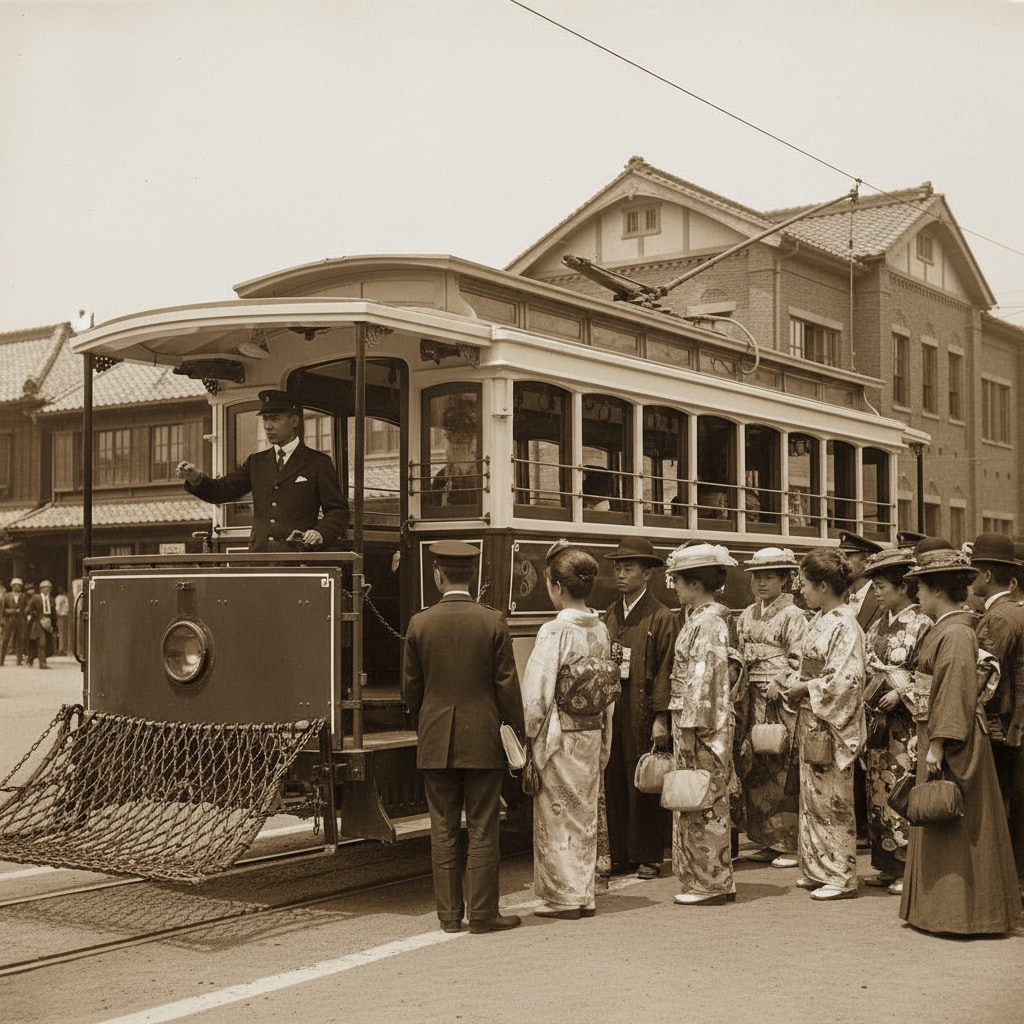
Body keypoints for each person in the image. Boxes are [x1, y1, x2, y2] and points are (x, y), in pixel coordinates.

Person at [899, 541, 1021, 935]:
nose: (916, 593)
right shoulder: (952, 629)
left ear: (935, 589)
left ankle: (962, 914)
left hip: (954, 736)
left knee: (954, 820)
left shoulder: (955, 634)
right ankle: (944, 910)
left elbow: (954, 689)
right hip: (940, 727)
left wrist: (938, 742)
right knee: (948, 819)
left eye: (919, 587)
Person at [403, 540, 524, 935]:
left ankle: (449, 917)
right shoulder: (492, 621)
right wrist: (516, 732)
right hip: (483, 738)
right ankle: (484, 914)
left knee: (442, 827)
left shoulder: (419, 623)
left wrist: (426, 722)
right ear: (473, 577)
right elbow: (507, 686)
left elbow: (411, 690)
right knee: (483, 825)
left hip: (436, 739)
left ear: (437, 576)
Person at [522, 541, 615, 920]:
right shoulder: (600, 629)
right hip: (591, 731)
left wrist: (531, 735)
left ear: (557, 586)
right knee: (585, 812)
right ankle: (585, 893)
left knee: (559, 814)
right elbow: (607, 690)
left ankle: (566, 896)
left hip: (560, 735)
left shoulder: (554, 632)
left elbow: (537, 692)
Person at [785, 547, 866, 901]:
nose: (801, 590)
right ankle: (818, 866)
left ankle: (840, 872)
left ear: (822, 586)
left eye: (805, 584)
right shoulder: (821, 618)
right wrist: (791, 678)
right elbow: (807, 665)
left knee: (833, 799)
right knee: (813, 799)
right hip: (812, 718)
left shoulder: (845, 624)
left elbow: (847, 680)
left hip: (831, 722)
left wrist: (804, 686)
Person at [176, 390, 349, 552]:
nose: (267, 426)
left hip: (298, 558)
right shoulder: (256, 462)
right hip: (259, 559)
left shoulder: (317, 462)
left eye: (274, 419)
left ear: (294, 421)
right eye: (265, 419)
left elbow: (338, 511)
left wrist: (320, 533)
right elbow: (222, 491)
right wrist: (197, 479)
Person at [665, 542, 739, 906]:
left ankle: (711, 882)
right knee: (701, 801)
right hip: (701, 722)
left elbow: (702, 678)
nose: (675, 588)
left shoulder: (707, 623)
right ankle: (708, 878)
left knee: (703, 802)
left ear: (695, 584)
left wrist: (692, 730)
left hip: (702, 727)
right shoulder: (705, 619)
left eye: (677, 581)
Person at [601, 537, 677, 879]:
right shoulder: (612, 612)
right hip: (615, 705)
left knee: (645, 778)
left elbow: (666, 670)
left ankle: (648, 854)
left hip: (644, 706)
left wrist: (661, 717)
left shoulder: (661, 616)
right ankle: (620, 853)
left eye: (628, 568)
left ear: (648, 573)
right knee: (614, 774)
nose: (621, 574)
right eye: (618, 567)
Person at [860, 548, 932, 895]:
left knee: (900, 787)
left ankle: (908, 864)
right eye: (874, 586)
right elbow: (869, 665)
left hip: (903, 722)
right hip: (878, 718)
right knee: (877, 787)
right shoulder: (876, 624)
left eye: (882, 586)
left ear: (903, 587)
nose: (876, 592)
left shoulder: (922, 623)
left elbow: (925, 672)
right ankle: (886, 863)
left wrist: (900, 693)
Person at [736, 547, 807, 869]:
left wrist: (781, 679)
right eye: (757, 577)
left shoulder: (793, 615)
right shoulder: (747, 614)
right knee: (755, 764)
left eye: (769, 577)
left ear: (785, 580)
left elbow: (800, 658)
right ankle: (765, 838)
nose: (761, 583)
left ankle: (788, 842)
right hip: (750, 694)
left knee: (781, 763)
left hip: (779, 696)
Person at [968, 532, 1024, 895]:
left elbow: (984, 678)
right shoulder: (1013, 612)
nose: (969, 579)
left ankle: (1009, 882)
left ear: (988, 575)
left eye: (973, 571)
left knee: (1006, 801)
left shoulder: (998, 619)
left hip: (1002, 724)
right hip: (1013, 722)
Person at [25, 579, 55, 669]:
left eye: (49, 588)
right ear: (41, 589)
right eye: (45, 588)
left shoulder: (51, 599)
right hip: (38, 622)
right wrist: (34, 615)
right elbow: (28, 609)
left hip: (48, 622)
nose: (47, 590)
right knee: (42, 642)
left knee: (47, 642)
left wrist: (53, 624)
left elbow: (53, 612)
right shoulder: (36, 597)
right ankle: (42, 663)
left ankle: (31, 658)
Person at [0, 578, 28, 666]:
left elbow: (27, 607)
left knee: (20, 640)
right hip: (9, 620)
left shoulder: (23, 596)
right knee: (5, 639)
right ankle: (1, 659)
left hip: (20, 620)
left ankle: (19, 660)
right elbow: (3, 609)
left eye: (19, 586)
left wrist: (24, 613)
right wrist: (13, 611)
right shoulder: (7, 596)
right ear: (12, 586)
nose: (17, 587)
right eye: (15, 585)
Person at [54, 587, 70, 657]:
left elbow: (66, 607)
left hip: (64, 616)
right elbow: (57, 607)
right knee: (61, 633)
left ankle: (63, 649)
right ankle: (61, 649)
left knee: (64, 633)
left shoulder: (65, 598)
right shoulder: (57, 598)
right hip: (60, 616)